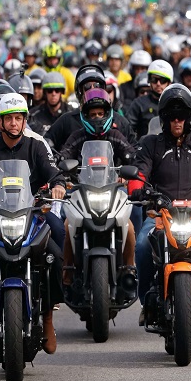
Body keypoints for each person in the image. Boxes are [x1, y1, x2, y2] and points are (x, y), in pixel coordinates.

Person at [0, 93, 66, 354]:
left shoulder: (36, 146)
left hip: (33, 211)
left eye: (19, 118)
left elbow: (53, 171)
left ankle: (49, 318)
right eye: (10, 119)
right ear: (0, 122)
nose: (15, 123)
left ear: (24, 120)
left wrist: (59, 185)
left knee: (57, 239)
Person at [128, 84, 191, 330]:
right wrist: (139, 190)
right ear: (163, 118)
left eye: (181, 115)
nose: (177, 120)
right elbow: (137, 175)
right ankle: (146, 301)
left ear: (190, 117)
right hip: (159, 215)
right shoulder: (151, 144)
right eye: (172, 115)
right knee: (141, 245)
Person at [58, 88, 137, 288]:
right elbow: (63, 156)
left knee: (130, 227)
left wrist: (125, 176)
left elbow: (131, 155)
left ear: (108, 113)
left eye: (100, 113)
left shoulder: (116, 135)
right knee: (68, 225)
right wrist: (66, 175)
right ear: (85, 115)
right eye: (92, 114)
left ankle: (129, 268)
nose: (97, 118)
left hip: (113, 191)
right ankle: (67, 271)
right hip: (82, 190)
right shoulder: (77, 136)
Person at [45, 64, 137, 150]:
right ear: (79, 91)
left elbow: (135, 150)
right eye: (87, 86)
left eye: (97, 85)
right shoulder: (67, 121)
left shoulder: (119, 121)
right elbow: (46, 145)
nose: (93, 89)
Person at [126, 59, 173, 138]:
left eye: (162, 80)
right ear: (149, 80)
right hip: (145, 148)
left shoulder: (175, 104)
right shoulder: (138, 103)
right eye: (154, 79)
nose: (158, 84)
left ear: (169, 83)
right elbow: (128, 129)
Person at [28, 72, 69, 136]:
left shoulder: (71, 113)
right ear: (45, 92)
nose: (53, 94)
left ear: (61, 92)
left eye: (57, 90)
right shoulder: (33, 115)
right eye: (50, 90)